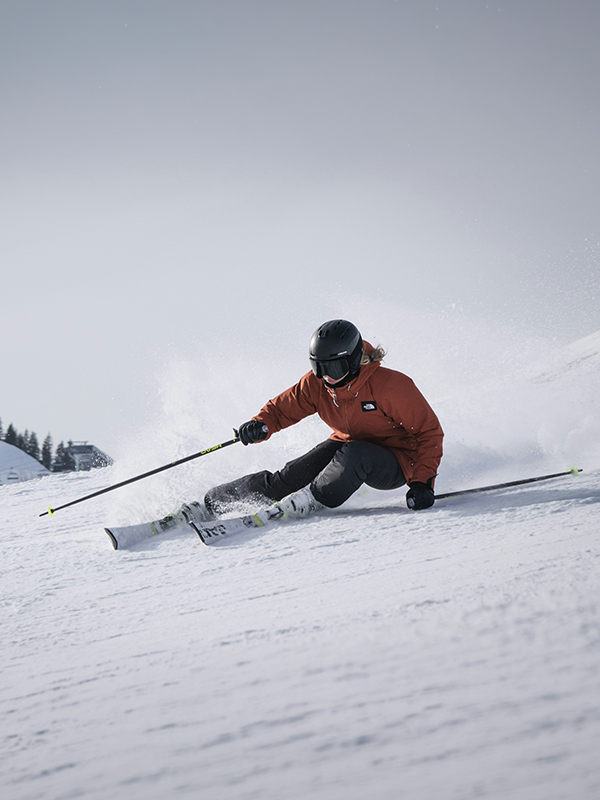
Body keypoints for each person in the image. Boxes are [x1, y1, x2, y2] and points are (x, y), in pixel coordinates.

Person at [199, 320, 444, 520]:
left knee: (356, 454)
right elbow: (283, 409)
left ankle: (309, 500)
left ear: (352, 361)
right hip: (348, 444)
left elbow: (428, 433)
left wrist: (422, 483)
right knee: (289, 477)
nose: (325, 376)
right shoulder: (318, 385)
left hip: (396, 460)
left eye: (334, 368)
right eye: (319, 367)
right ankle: (214, 502)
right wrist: (260, 424)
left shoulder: (391, 386)